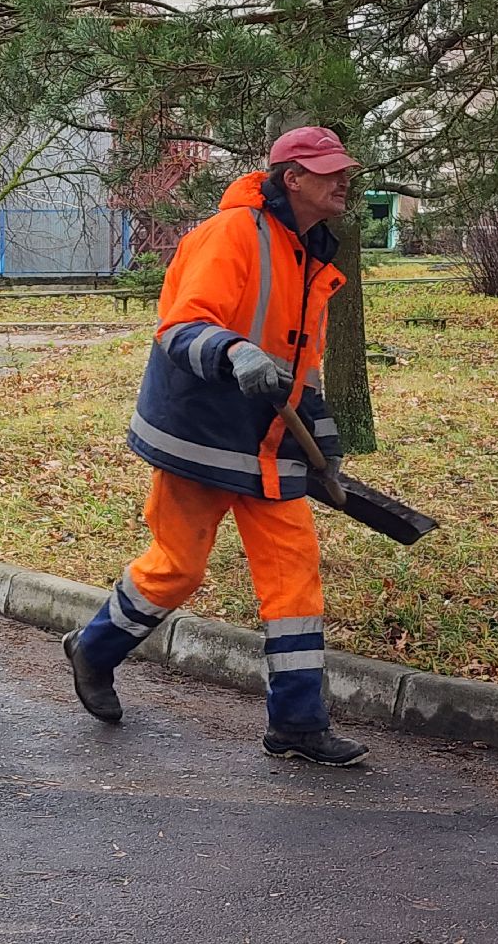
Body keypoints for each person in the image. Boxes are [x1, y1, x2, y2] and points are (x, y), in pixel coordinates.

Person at [63, 127, 370, 766]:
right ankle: (93, 648)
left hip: (271, 443)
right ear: (293, 178)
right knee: (178, 568)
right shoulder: (232, 235)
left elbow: (303, 364)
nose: (343, 180)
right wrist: (233, 349)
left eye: (344, 169)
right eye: (329, 171)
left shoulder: (313, 254)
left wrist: (326, 442)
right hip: (200, 435)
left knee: (294, 581)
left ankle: (297, 724)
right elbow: (180, 325)